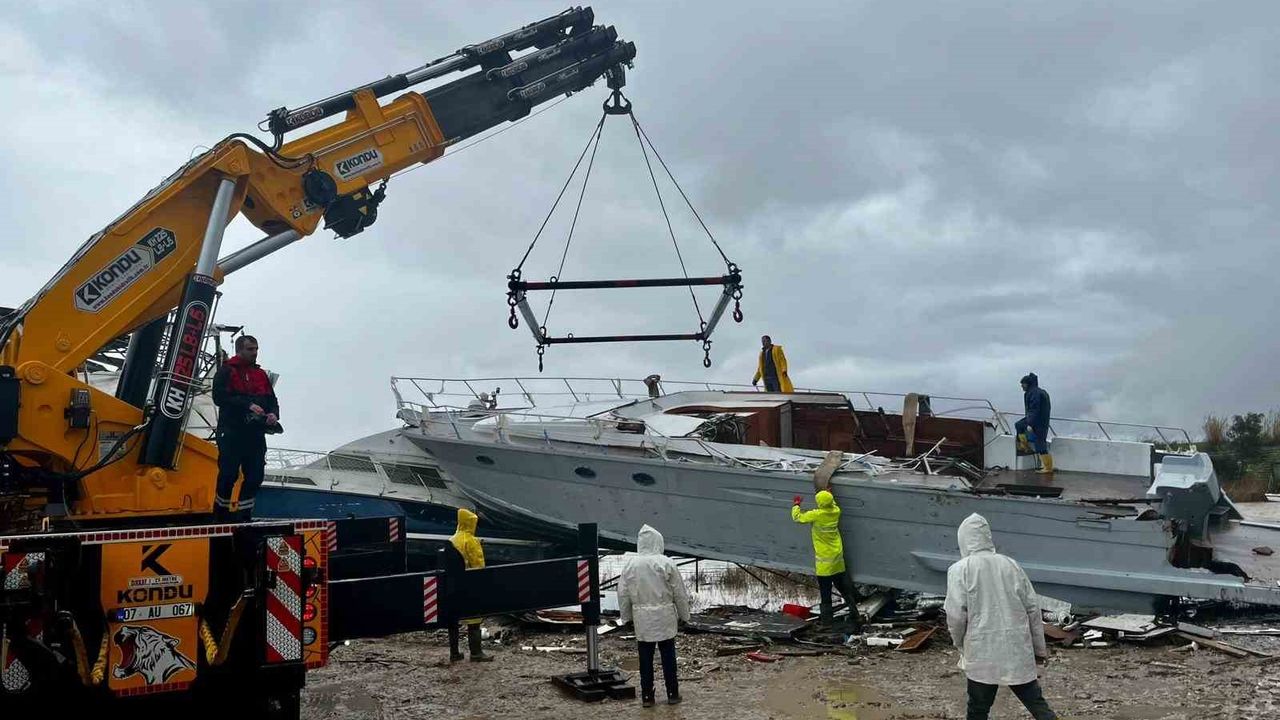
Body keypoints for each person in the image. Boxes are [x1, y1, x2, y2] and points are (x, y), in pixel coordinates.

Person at [944, 513, 1058, 720]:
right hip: (1016, 647)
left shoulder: (960, 569)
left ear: (963, 539)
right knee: (1036, 703)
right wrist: (1039, 650)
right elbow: (1033, 609)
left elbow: (956, 615)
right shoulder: (1011, 565)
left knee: (978, 709)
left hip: (981, 649)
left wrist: (960, 644)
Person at [618, 525, 690, 707]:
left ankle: (647, 697)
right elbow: (679, 593)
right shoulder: (666, 563)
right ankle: (673, 693)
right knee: (668, 657)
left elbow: (623, 594)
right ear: (658, 542)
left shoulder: (630, 565)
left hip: (642, 618)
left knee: (645, 659)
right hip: (665, 616)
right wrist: (685, 616)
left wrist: (626, 618)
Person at [211, 335, 280, 521]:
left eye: (256, 349)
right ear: (239, 350)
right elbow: (219, 397)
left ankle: (244, 515)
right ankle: (220, 514)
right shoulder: (226, 371)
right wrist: (247, 405)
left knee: (255, 476)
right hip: (231, 432)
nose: (255, 353)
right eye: (250, 349)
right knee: (228, 474)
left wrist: (273, 414)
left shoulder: (261, 374)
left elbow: (272, 400)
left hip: (255, 434)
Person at [791, 490, 860, 629]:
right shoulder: (836, 511)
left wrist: (796, 505)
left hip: (824, 564)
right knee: (844, 589)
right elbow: (831, 504)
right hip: (837, 559)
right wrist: (829, 494)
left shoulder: (816, 515)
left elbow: (797, 518)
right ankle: (855, 613)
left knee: (825, 593)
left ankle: (827, 622)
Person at [448, 508, 493, 662]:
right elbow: (479, 565)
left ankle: (454, 653)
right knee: (474, 620)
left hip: (453, 584)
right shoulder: (471, 541)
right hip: (470, 584)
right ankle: (476, 653)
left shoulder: (452, 539)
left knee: (453, 619)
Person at [1014, 373, 1052, 474]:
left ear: (1028, 384)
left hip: (1038, 421)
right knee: (1019, 425)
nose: (1022, 386)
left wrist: (1030, 423)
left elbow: (1034, 409)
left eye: (1023, 384)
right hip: (1040, 420)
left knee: (1040, 443)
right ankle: (1025, 446)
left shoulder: (1034, 393)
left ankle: (1048, 468)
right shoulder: (1039, 391)